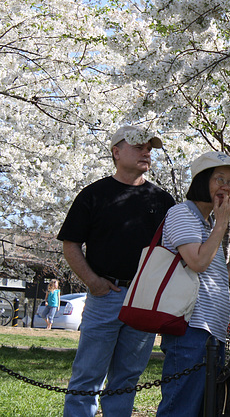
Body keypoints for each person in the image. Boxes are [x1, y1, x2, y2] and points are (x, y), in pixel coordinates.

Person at [57, 125, 176, 417]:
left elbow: (177, 250)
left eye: (149, 148)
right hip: (104, 297)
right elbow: (70, 244)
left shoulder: (162, 200)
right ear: (116, 152)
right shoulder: (93, 195)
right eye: (138, 147)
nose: (146, 152)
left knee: (127, 379)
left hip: (143, 299)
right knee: (87, 375)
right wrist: (93, 282)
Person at [156, 151, 230, 417]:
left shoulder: (207, 223)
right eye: (218, 178)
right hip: (190, 328)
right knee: (181, 407)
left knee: (203, 408)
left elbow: (214, 274)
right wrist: (222, 223)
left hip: (212, 330)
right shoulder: (182, 213)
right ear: (200, 181)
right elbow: (197, 262)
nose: (226, 186)